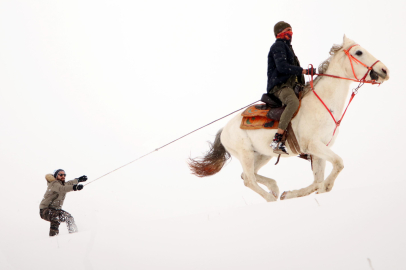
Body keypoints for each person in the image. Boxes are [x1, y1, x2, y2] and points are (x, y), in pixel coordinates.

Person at [266, 21, 316, 155]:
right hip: (279, 86)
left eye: (291, 30)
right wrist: (304, 71)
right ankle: (277, 139)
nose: (291, 33)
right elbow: (282, 67)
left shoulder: (288, 48)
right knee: (293, 102)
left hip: (291, 85)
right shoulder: (277, 46)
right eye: (287, 30)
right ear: (279, 33)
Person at [39, 169, 87, 236]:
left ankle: (74, 234)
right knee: (55, 217)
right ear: (56, 176)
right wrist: (75, 187)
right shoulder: (53, 184)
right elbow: (62, 188)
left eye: (64, 175)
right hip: (45, 210)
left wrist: (78, 180)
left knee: (69, 217)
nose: (63, 176)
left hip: (56, 210)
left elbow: (69, 183)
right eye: (61, 175)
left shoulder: (63, 184)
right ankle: (53, 238)